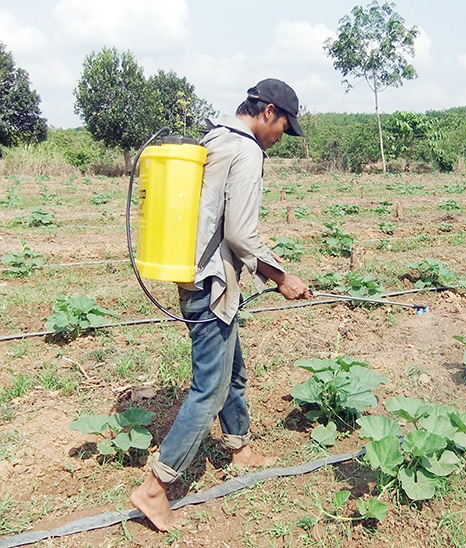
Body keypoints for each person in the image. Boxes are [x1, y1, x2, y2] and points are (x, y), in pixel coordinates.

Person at [131, 78, 312, 531]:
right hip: (212, 284)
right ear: (268, 112)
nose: (280, 138)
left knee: (232, 369)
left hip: (194, 275)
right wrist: (280, 276)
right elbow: (240, 234)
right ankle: (155, 488)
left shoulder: (214, 137)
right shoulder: (247, 150)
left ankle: (240, 446)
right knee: (209, 388)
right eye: (283, 127)